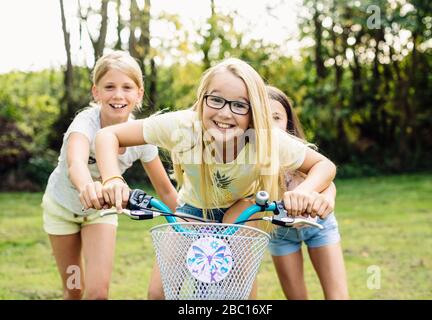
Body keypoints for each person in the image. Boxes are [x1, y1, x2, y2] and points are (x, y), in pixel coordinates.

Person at [94, 58, 337, 299]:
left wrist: (305, 191)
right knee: (158, 293)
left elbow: (324, 165)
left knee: (235, 289)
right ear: (202, 100)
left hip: (243, 206)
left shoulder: (265, 138)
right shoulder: (183, 127)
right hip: (193, 209)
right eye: (216, 100)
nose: (225, 113)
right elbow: (108, 136)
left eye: (239, 105)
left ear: (254, 112)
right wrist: (113, 179)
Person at [42, 51, 178, 300]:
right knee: (74, 289)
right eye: (109, 87)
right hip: (62, 209)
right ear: (96, 92)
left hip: (100, 214)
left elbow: (166, 190)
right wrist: (87, 187)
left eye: (127, 87)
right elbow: (76, 163)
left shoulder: (142, 136)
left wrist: (188, 220)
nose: (118, 95)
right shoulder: (85, 123)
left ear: (139, 94)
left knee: (97, 294)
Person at [266, 85, 349, 299]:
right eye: (264, 117)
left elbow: (327, 180)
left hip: (319, 225)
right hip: (280, 232)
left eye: (277, 117)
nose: (272, 125)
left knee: (337, 296)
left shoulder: (298, 151)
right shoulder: (247, 158)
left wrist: (328, 199)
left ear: (288, 122)